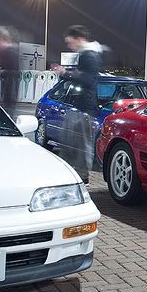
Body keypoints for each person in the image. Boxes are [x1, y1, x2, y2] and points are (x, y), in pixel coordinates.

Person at [53, 25, 103, 185]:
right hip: (80, 107)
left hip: (84, 108)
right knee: (72, 143)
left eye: (70, 42)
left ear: (79, 39)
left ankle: (81, 178)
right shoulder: (86, 54)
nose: (69, 46)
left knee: (79, 145)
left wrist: (65, 73)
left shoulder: (89, 55)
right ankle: (74, 175)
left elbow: (88, 80)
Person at [0, 26, 20, 115]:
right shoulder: (14, 51)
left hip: (9, 100)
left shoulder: (9, 53)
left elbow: (11, 81)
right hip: (9, 100)